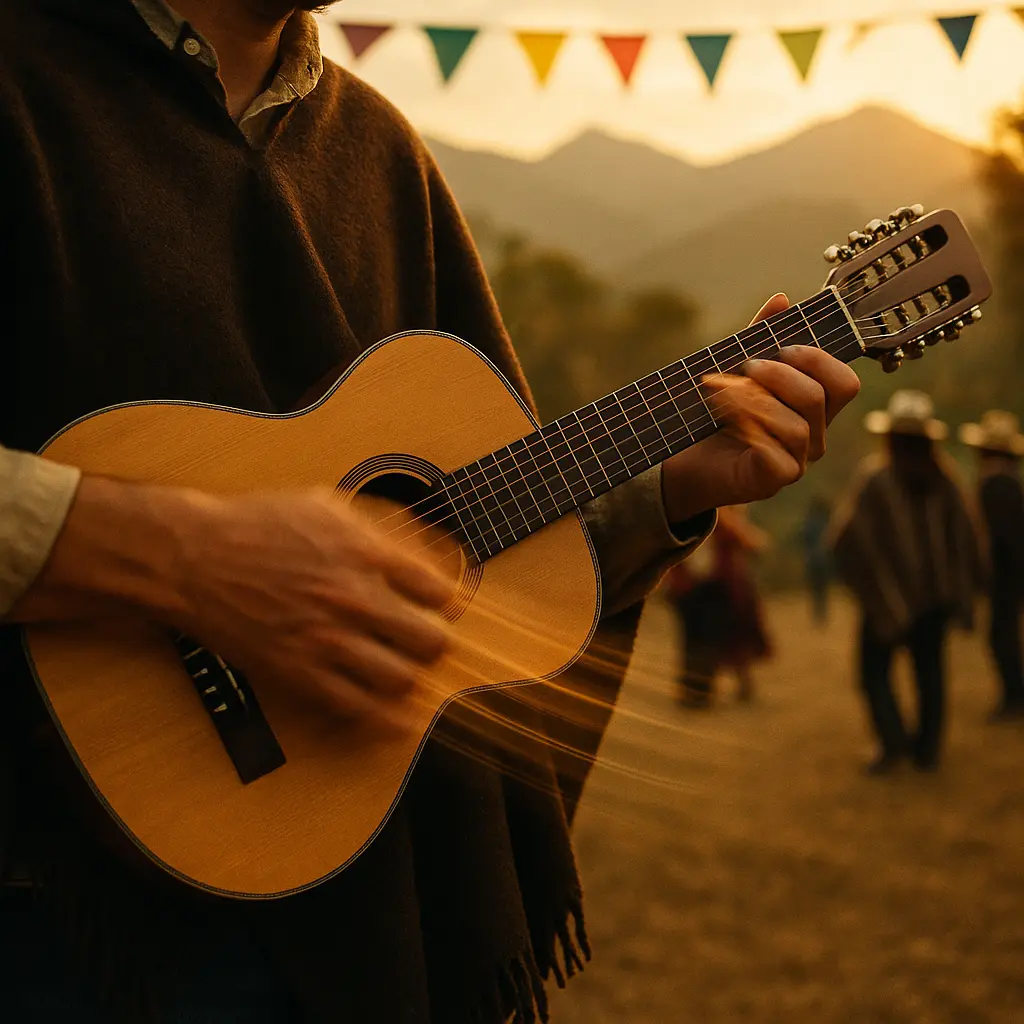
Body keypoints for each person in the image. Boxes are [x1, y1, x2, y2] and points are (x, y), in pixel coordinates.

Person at [0, 2, 861, 1021]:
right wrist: (181, 557)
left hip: (361, 877)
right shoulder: (25, 74)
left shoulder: (378, 152)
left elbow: (463, 522)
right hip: (57, 917)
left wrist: (669, 486)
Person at [830, 390, 984, 776]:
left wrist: (872, 587)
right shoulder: (945, 478)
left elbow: (845, 540)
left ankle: (894, 743)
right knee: (930, 675)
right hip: (934, 601)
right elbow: (968, 538)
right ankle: (926, 751)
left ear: (891, 438)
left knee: (874, 673)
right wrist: (963, 591)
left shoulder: (876, 477)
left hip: (887, 600)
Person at [665, 506, 772, 707]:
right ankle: (697, 690)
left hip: (700, 587)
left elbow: (750, 542)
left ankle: (697, 690)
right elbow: (752, 543)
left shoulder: (710, 515)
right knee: (705, 639)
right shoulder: (715, 514)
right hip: (700, 588)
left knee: (700, 640)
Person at [959, 410, 1024, 720]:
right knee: (1004, 633)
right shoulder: (1010, 482)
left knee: (1002, 635)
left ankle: (1014, 696)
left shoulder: (995, 484)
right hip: (1010, 572)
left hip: (1005, 573)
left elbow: (1001, 538)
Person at [800, 495, 833, 626]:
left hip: (812, 561)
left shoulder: (809, 523)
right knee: (823, 590)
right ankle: (822, 615)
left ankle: (817, 615)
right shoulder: (827, 523)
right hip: (824, 561)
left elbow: (803, 539)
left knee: (815, 590)